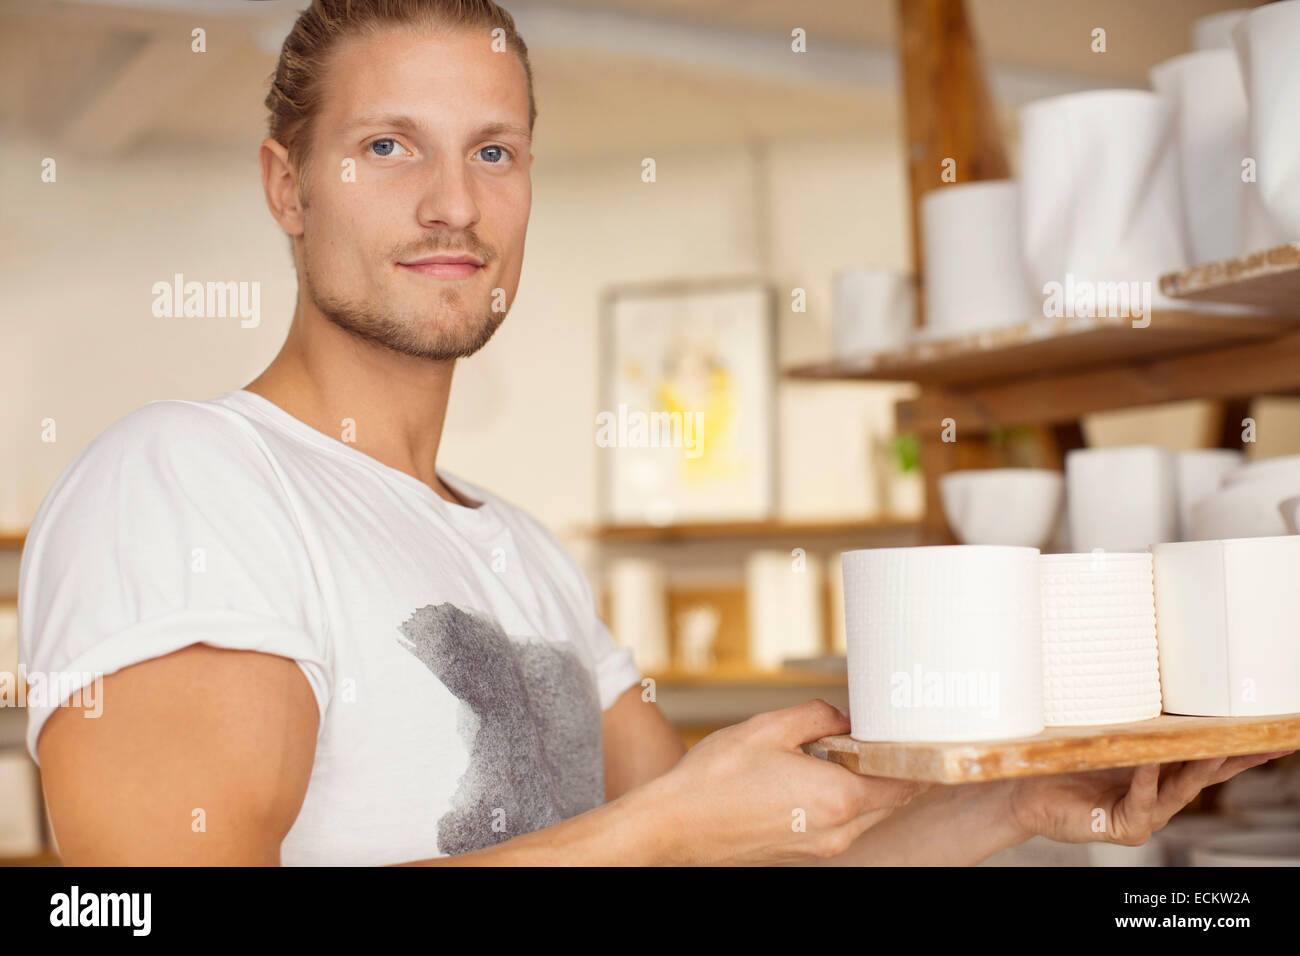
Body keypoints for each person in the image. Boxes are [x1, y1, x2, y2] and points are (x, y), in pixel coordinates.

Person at [20, 0, 1288, 866]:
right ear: (286, 185)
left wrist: (1008, 801)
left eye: (496, 149)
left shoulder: (517, 547)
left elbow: (717, 850)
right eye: (388, 144)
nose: (454, 201)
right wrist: (660, 828)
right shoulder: (184, 480)